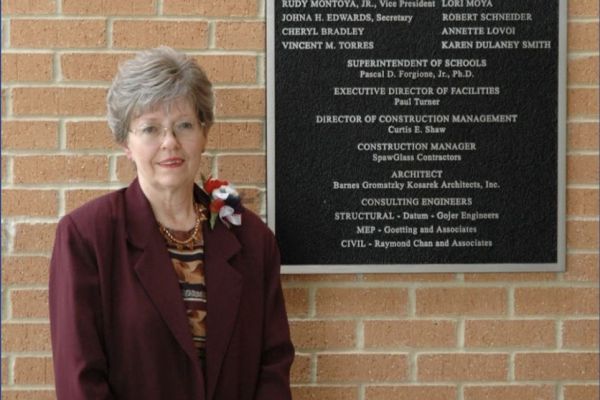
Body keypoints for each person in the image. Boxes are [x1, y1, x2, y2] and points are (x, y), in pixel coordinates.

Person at [49, 46, 294, 400]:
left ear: (204, 133)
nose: (170, 143)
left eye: (184, 125)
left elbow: (273, 365)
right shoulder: (86, 237)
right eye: (150, 128)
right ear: (126, 144)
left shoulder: (251, 239)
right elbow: (80, 378)